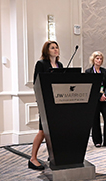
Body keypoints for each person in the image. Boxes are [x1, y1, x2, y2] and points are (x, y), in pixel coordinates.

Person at [28, 41, 63, 170]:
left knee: (55, 130)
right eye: (52, 48)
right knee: (43, 131)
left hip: (57, 101)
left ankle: (53, 156)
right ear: (46, 50)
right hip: (45, 101)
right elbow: (37, 84)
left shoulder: (60, 65)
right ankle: (33, 159)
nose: (55, 49)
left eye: (56, 47)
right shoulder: (41, 64)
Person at [85, 51, 106, 148]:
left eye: (100, 59)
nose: (99, 60)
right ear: (93, 60)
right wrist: (98, 96)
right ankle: (97, 141)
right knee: (95, 120)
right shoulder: (88, 72)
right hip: (95, 100)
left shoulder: (105, 71)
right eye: (97, 58)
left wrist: (105, 94)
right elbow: (89, 86)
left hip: (105, 99)